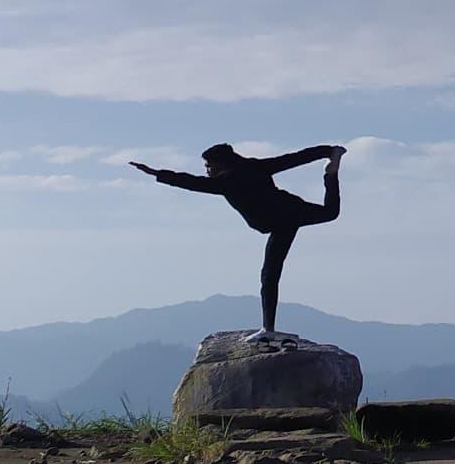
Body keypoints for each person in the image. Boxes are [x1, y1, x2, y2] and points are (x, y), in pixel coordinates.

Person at [133, 143, 346, 337]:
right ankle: (331, 172)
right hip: (290, 213)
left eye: (209, 165)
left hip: (281, 219)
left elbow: (191, 182)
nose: (207, 170)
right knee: (329, 213)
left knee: (269, 275)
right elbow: (293, 158)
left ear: (221, 164)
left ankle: (268, 329)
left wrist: (157, 173)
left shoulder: (226, 181)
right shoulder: (256, 167)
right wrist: (327, 151)